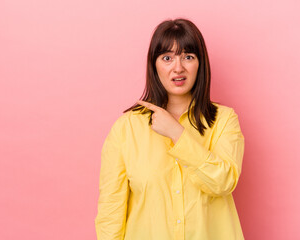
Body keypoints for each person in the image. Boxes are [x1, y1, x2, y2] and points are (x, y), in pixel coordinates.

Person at [95, 18, 245, 240]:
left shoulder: (225, 121)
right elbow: (111, 211)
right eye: (167, 58)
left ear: (200, 64)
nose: (178, 68)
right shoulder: (126, 128)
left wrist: (177, 133)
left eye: (188, 57)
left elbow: (223, 183)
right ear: (154, 65)